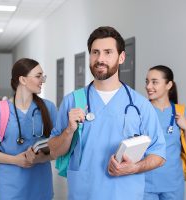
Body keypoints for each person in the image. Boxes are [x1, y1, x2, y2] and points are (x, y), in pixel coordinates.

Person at [48, 26, 166, 200]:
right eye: (95, 52)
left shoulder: (140, 105)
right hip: (84, 192)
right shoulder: (72, 101)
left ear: (121, 57)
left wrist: (134, 167)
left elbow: (159, 154)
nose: (100, 59)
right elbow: (53, 151)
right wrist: (68, 131)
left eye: (108, 52)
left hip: (126, 193)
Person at [0, 58, 57, 200]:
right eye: (38, 76)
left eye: (43, 76)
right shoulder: (0, 110)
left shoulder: (48, 108)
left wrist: (40, 158)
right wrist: (16, 160)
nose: (42, 80)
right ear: (22, 79)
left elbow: (58, 147)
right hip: (10, 188)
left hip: (40, 186)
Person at [144, 65, 186, 200]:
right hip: (146, 182)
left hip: (173, 183)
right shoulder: (141, 111)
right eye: (147, 81)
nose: (149, 86)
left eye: (154, 82)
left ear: (169, 85)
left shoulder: (182, 111)